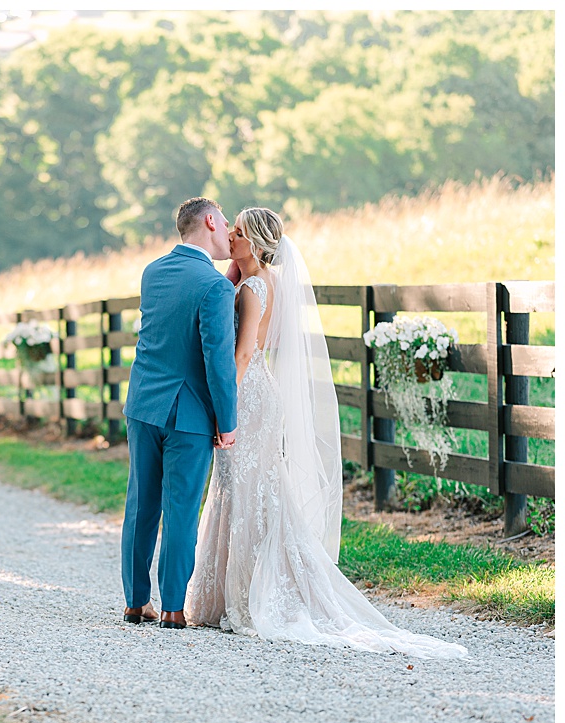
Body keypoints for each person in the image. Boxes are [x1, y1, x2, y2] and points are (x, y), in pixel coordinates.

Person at [184, 207, 467, 659]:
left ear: (255, 242)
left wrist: (226, 413)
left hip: (249, 397)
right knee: (244, 489)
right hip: (259, 392)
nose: (230, 239)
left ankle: (251, 595)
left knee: (247, 489)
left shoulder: (253, 288)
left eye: (237, 233)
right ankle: (226, 593)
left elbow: (240, 357)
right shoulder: (258, 281)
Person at [119, 197, 239, 630]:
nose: (229, 233)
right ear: (210, 220)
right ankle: (172, 607)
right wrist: (228, 422)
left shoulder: (153, 272)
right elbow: (218, 362)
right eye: (226, 224)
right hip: (188, 415)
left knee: (141, 504)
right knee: (181, 508)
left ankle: (135, 602)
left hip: (143, 405)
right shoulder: (215, 288)